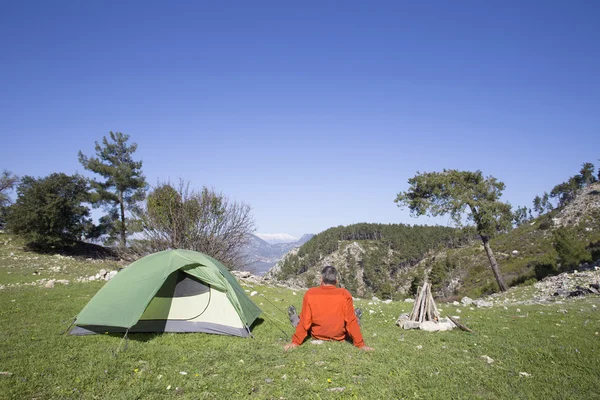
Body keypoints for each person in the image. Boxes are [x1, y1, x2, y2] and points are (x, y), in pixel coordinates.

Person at [284, 266, 374, 351]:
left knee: (300, 320)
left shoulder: (310, 293)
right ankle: (357, 315)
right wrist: (361, 345)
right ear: (336, 280)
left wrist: (295, 342)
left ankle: (293, 316)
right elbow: (351, 322)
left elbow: (305, 322)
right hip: (339, 336)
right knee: (354, 319)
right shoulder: (344, 294)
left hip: (317, 335)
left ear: (321, 279)